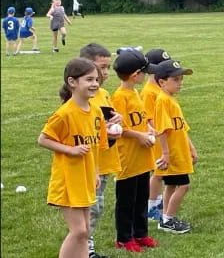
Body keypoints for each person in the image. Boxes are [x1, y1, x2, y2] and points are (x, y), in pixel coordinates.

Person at [37, 58, 109, 258]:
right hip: (68, 180)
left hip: (85, 178)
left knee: (85, 231)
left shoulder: (95, 111)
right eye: (89, 79)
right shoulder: (65, 114)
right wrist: (70, 150)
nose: (95, 84)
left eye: (96, 79)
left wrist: (95, 173)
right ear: (72, 82)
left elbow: (95, 148)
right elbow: (43, 139)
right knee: (78, 231)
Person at [111, 51, 159, 253]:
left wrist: (148, 129)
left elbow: (141, 118)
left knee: (141, 197)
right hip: (128, 158)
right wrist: (139, 136)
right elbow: (117, 128)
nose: (146, 76)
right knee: (126, 201)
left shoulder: (135, 94)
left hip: (142, 157)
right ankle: (124, 237)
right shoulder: (119, 97)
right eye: (144, 73)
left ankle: (140, 233)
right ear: (135, 75)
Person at [79, 43, 123, 258]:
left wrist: (118, 121)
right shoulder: (81, 96)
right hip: (89, 162)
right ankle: (85, 250)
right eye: (101, 67)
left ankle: (88, 248)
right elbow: (82, 130)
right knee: (91, 209)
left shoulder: (104, 93)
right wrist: (106, 132)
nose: (105, 73)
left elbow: (107, 119)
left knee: (97, 207)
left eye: (107, 68)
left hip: (103, 160)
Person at [154, 59, 197, 233]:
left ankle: (165, 218)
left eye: (181, 79)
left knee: (171, 185)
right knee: (183, 185)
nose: (180, 83)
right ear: (162, 82)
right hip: (173, 154)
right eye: (176, 80)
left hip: (179, 151)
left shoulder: (171, 100)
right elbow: (162, 130)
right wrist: (165, 153)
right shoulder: (162, 101)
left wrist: (191, 148)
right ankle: (167, 220)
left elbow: (181, 127)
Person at [141, 49, 172, 221]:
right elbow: (148, 118)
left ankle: (157, 199)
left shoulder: (159, 88)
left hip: (163, 135)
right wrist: (158, 135)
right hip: (157, 137)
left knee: (162, 172)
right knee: (158, 173)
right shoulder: (149, 92)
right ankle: (150, 205)